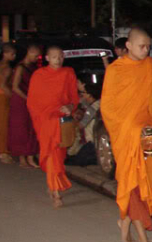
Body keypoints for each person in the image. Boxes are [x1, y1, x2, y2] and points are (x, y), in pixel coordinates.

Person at [100, 28, 152, 242]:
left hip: (148, 137)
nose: (146, 50)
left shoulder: (150, 66)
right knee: (135, 188)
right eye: (141, 46)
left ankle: (124, 222)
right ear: (128, 45)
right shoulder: (116, 71)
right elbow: (108, 108)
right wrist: (129, 130)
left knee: (148, 183)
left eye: (148, 46)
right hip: (128, 138)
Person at [27, 46, 78, 208]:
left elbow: (73, 97)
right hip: (46, 121)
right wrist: (43, 117)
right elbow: (32, 101)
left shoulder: (68, 73)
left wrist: (70, 107)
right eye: (54, 57)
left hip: (62, 119)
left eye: (61, 56)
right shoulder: (39, 75)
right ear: (47, 58)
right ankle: (55, 192)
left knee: (59, 155)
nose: (58, 59)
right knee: (51, 154)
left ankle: (52, 185)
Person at [7, 44, 41, 168]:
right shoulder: (20, 67)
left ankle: (30, 157)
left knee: (31, 128)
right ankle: (22, 158)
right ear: (29, 53)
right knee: (21, 129)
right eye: (35, 55)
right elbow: (15, 87)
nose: (37, 58)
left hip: (30, 99)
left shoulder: (32, 67)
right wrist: (27, 99)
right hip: (20, 100)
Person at [65, 79, 100, 167]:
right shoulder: (97, 104)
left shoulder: (93, 108)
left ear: (89, 95)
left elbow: (81, 125)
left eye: (83, 93)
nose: (82, 96)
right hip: (95, 141)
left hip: (93, 143)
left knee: (73, 161)